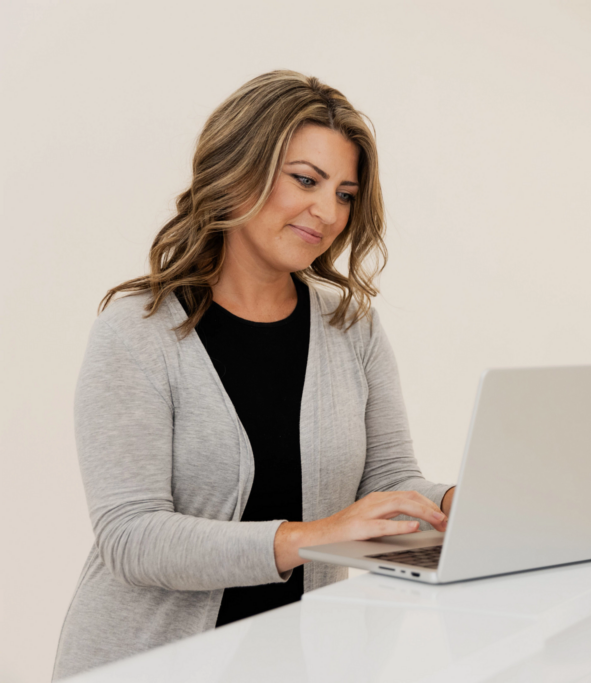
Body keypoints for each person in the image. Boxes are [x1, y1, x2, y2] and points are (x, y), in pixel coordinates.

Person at [52, 71, 455, 680]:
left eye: (345, 194)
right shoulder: (137, 330)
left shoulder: (352, 328)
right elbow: (130, 537)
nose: (327, 212)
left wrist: (455, 509)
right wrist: (308, 538)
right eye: (306, 180)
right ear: (238, 170)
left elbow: (387, 484)